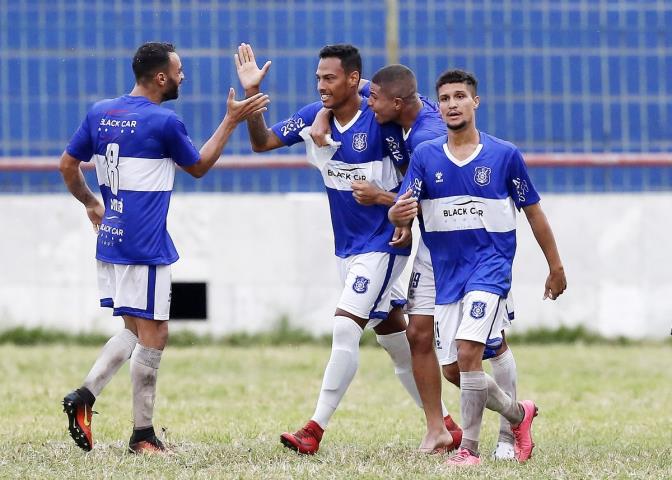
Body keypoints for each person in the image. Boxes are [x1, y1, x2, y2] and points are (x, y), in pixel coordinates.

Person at [60, 42, 269, 454]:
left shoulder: (101, 111)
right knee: (155, 336)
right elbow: (199, 166)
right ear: (161, 78)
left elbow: (67, 165)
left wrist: (90, 203)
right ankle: (142, 436)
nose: (183, 76)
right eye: (179, 70)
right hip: (144, 245)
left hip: (112, 239)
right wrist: (229, 121)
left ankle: (83, 398)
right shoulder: (163, 121)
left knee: (134, 330)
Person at [234, 42, 430, 455]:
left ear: (354, 80)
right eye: (319, 78)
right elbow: (263, 142)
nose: (322, 86)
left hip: (384, 244)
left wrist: (396, 207)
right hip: (348, 249)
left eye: (330, 78)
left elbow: (418, 113)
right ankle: (447, 424)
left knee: (344, 327)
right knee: (397, 341)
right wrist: (253, 95)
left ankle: (313, 430)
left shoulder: (382, 118)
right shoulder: (312, 117)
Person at [315, 64, 519, 458]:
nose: (366, 102)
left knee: (485, 348)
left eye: (371, 98)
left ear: (395, 102)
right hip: (431, 248)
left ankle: (509, 427)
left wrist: (383, 199)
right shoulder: (404, 108)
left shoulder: (427, 136)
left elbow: (431, 198)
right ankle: (439, 430)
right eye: (445, 98)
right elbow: (355, 93)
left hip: (472, 250)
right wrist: (324, 112)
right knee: (422, 339)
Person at [389, 69, 567, 466]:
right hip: (446, 272)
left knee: (471, 351)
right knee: (455, 369)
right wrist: (398, 216)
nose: (453, 104)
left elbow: (534, 212)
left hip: (489, 267)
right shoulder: (426, 156)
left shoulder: (504, 155)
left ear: (475, 102)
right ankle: (519, 415)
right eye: (446, 98)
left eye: (460, 96)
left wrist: (555, 266)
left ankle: (469, 447)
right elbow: (403, 208)